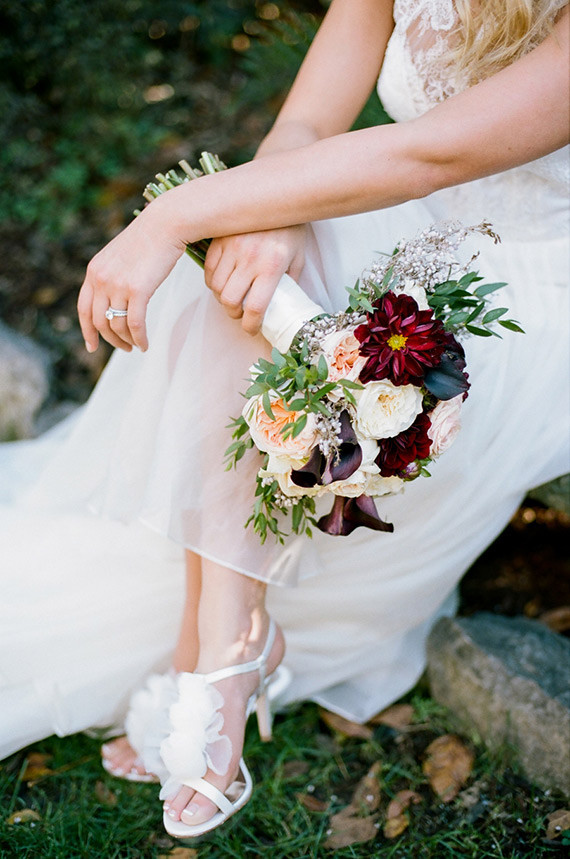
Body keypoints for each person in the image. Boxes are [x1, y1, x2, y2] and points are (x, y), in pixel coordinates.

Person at [1, 0, 568, 841]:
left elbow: (432, 149)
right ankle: (229, 643)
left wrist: (173, 215)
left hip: (530, 288)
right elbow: (305, 121)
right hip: (408, 213)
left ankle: (217, 651)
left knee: (241, 249)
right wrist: (269, 216)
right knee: (248, 260)